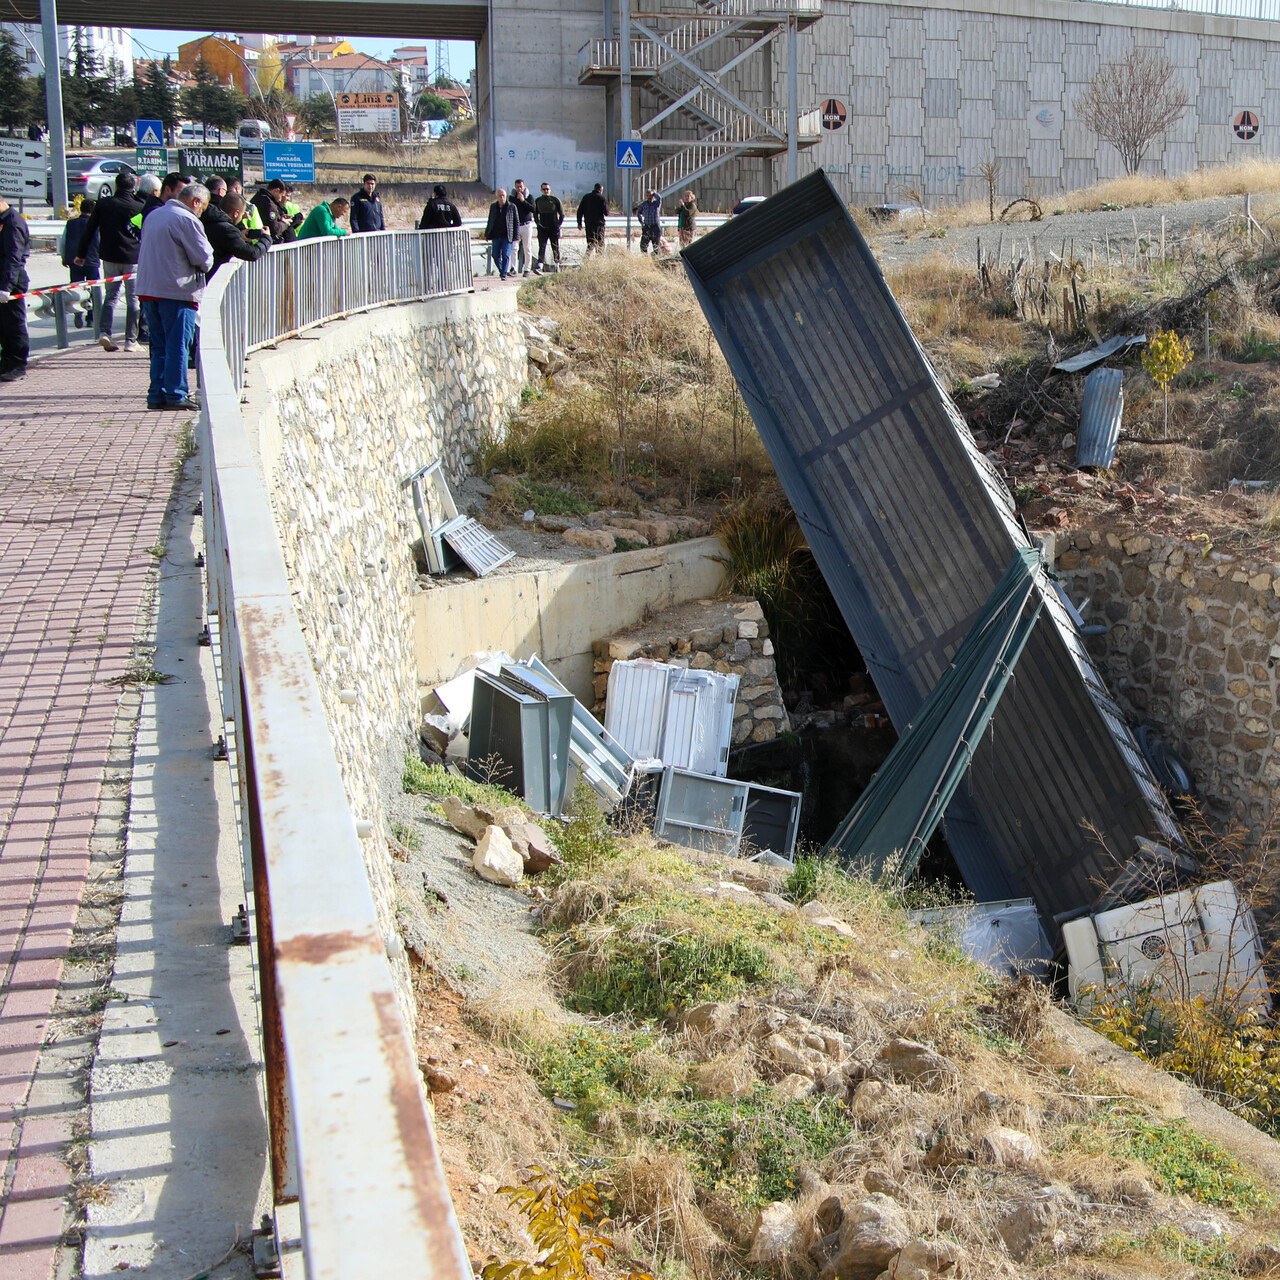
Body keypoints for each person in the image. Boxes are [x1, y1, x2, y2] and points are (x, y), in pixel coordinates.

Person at [135, 183, 213, 411]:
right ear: (196, 202)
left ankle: (156, 393)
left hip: (149, 290)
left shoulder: (154, 215)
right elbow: (204, 258)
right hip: (176, 291)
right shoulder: (186, 219)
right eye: (203, 208)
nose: (202, 213)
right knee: (178, 344)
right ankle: (176, 393)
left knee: (159, 346)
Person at [76, 171, 143, 350]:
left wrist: (81, 254)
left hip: (109, 257)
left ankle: (104, 332)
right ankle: (130, 340)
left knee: (111, 297)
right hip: (133, 258)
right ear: (133, 186)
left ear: (116, 186)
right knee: (133, 299)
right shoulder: (139, 206)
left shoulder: (104, 205)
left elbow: (89, 230)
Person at [201, 191, 271, 278]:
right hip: (207, 279)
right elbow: (251, 253)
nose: (241, 218)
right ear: (236, 213)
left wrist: (240, 235)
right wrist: (267, 238)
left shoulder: (208, 219)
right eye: (241, 215)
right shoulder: (227, 230)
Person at [0, 196, 31, 382]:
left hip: (12, 282)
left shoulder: (13, 222)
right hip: (3, 279)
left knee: (14, 324)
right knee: (3, 326)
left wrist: (6, 287)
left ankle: (18, 365)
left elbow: (14, 257)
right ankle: (7, 362)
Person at [62, 198, 101, 333]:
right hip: (91, 261)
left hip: (74, 261)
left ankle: (77, 312)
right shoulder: (96, 224)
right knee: (94, 290)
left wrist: (64, 258)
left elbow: (63, 242)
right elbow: (100, 242)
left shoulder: (71, 223)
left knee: (76, 287)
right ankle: (91, 318)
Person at [252, 179, 302, 244]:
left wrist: (280, 218)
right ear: (276, 191)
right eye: (281, 196)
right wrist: (285, 223)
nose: (280, 199)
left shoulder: (262, 198)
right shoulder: (268, 203)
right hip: (266, 244)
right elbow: (274, 229)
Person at [484, 188, 518, 280]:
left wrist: (516, 235)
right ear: (497, 196)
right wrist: (487, 233)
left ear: (506, 196)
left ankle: (503, 275)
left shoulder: (512, 206)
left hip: (507, 236)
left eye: (503, 195)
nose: (501, 197)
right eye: (500, 195)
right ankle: (502, 270)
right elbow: (490, 220)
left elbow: (516, 222)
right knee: (495, 255)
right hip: (496, 235)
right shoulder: (493, 207)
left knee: (506, 255)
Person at [533, 181, 563, 272]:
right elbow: (535, 213)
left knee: (555, 246)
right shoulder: (538, 200)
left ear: (550, 190)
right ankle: (540, 265)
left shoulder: (555, 200)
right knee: (542, 246)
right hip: (542, 227)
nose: (546, 191)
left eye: (547, 189)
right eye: (544, 189)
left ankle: (557, 265)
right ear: (541, 190)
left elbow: (562, 214)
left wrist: (558, 225)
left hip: (553, 227)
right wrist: (538, 223)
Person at [510, 179, 535, 275]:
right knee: (514, 247)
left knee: (527, 247)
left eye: (521, 186)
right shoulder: (512, 198)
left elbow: (533, 209)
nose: (519, 189)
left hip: (526, 225)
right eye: (517, 187)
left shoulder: (529, 197)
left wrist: (523, 200)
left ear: (524, 186)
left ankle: (527, 269)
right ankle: (513, 268)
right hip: (516, 225)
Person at [576, 182, 608, 255]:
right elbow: (606, 212)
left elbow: (580, 211)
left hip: (589, 224)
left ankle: (586, 260)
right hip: (599, 224)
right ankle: (599, 260)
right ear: (600, 190)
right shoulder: (601, 198)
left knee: (590, 243)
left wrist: (579, 223)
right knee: (600, 243)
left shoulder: (586, 197)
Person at [636, 189, 662, 254]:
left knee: (656, 247)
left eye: (650, 195)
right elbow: (639, 212)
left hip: (655, 227)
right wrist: (641, 222)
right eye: (647, 195)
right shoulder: (644, 204)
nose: (649, 197)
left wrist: (654, 193)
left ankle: (656, 261)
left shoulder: (656, 203)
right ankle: (645, 259)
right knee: (643, 245)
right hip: (647, 227)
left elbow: (659, 198)